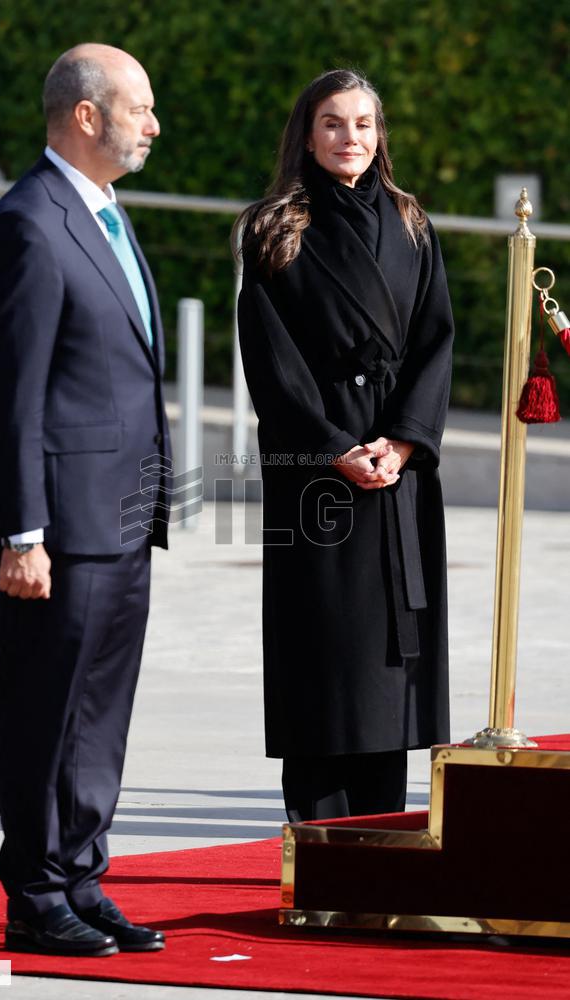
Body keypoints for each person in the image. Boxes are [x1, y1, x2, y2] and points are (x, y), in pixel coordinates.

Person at [0, 44, 171, 957]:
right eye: (141, 108)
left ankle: (81, 878)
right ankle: (35, 894)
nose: (154, 125)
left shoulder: (102, 214)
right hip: (54, 526)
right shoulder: (31, 222)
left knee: (100, 716)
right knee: (45, 713)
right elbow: (15, 394)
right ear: (85, 116)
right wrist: (23, 531)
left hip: (120, 516)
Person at [236, 69, 453, 824]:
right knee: (324, 658)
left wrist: (403, 441)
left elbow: (436, 340)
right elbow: (269, 359)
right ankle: (319, 838)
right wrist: (335, 447)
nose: (350, 138)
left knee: (390, 669)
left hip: (398, 471)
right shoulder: (275, 226)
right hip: (317, 472)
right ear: (306, 132)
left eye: (364, 124)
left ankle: (383, 837)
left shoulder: (412, 222)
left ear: (379, 134)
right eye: (333, 123)